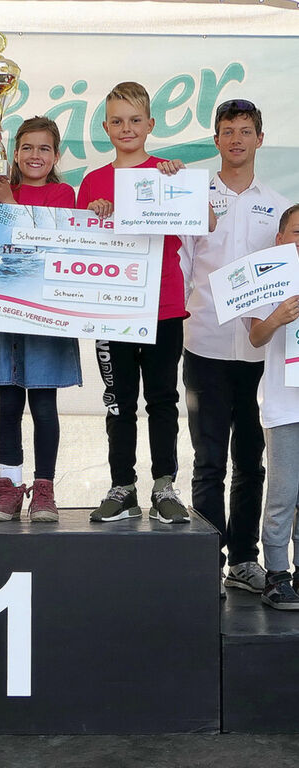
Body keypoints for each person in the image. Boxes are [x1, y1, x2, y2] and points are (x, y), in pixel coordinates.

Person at [179, 99, 289, 593]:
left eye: (246, 131)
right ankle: (207, 559)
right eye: (228, 131)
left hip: (262, 352)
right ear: (216, 140)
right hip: (204, 344)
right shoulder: (194, 198)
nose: (237, 139)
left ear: (260, 139)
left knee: (250, 461)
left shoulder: (279, 205)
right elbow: (181, 265)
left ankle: (244, 560)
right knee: (208, 462)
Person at [0, 115, 81, 522]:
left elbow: (45, 240)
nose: (35, 155)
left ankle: (44, 491)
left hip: (45, 317)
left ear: (56, 155)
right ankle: (8, 488)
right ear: (14, 153)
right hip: (3, 313)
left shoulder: (62, 193)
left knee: (43, 405)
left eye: (44, 148)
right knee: (7, 405)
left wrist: (7, 201)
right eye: (26, 147)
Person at [77, 81, 190, 524]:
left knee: (162, 400)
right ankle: (122, 487)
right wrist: (92, 215)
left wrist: (179, 184)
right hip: (112, 310)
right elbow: (76, 244)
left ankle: (164, 486)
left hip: (163, 306)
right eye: (118, 121)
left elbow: (207, 220)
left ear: (150, 124)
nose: (127, 128)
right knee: (118, 402)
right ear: (106, 127)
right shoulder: (92, 181)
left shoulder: (169, 172)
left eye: (135, 120)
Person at [248, 205, 299, 609]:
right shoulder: (268, 279)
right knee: (283, 493)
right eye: (297, 232)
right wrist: (278, 316)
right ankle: (277, 574)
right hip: (284, 406)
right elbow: (256, 337)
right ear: (280, 238)